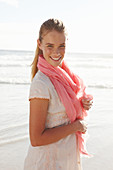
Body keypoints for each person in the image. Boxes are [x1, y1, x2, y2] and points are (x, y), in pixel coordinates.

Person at [24, 18, 93, 170]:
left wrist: (81, 103)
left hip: (65, 159)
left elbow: (62, 110)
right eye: (50, 46)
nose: (56, 52)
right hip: (48, 163)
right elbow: (36, 139)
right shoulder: (41, 84)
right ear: (39, 44)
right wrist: (76, 126)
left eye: (61, 46)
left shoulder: (63, 76)